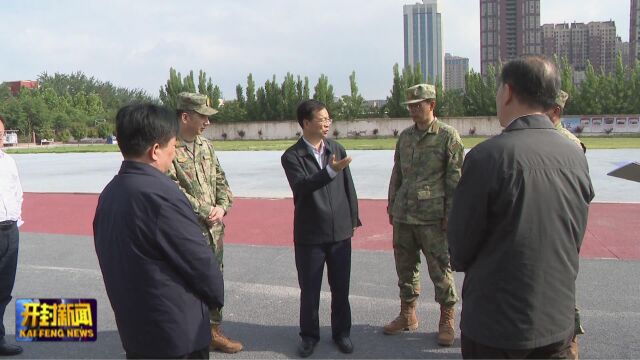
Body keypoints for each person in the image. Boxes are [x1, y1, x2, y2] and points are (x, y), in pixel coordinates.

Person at [447, 56, 595, 359]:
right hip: (557, 319)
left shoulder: (488, 156)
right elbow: (574, 234)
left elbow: (460, 249)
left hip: (497, 327)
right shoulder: (574, 154)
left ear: (509, 92)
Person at [93, 104, 224, 359]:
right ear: (155, 150)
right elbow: (199, 263)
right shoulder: (162, 195)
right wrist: (216, 297)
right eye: (173, 147)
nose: (174, 154)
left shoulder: (110, 193)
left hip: (136, 329)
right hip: (176, 333)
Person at [281, 99, 361, 358]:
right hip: (310, 234)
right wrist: (329, 171)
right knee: (310, 289)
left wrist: (352, 219)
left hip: (339, 233)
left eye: (329, 119)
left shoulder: (336, 148)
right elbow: (302, 186)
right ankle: (309, 336)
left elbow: (349, 187)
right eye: (322, 119)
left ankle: (341, 333)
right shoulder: (292, 156)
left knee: (341, 288)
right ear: (306, 123)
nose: (327, 123)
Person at [384, 83, 462, 347]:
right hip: (404, 215)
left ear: (432, 105)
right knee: (405, 267)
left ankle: (447, 319)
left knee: (440, 270)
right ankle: (408, 314)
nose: (414, 110)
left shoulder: (447, 136)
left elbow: (455, 179)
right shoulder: (405, 137)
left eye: (419, 105)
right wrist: (392, 205)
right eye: (411, 106)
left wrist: (450, 215)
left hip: (432, 218)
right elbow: (398, 174)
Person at [168, 92, 241, 354]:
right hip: (189, 229)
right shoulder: (169, 148)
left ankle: (212, 331)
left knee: (214, 280)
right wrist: (205, 209)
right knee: (186, 283)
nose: (207, 123)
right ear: (185, 116)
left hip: (214, 228)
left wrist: (222, 207)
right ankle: (186, 334)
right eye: (203, 117)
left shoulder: (206, 146)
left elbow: (221, 179)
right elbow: (172, 189)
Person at [546, 89, 587, 358]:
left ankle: (570, 336)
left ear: (556, 111)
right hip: (532, 221)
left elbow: (579, 194)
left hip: (559, 224)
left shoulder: (571, 145)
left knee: (561, 282)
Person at [0, 116, 23, 356]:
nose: (1, 138)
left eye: (2, 133)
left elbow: (17, 191)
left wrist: (16, 219)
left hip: (10, 231)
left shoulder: (9, 162)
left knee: (4, 290)